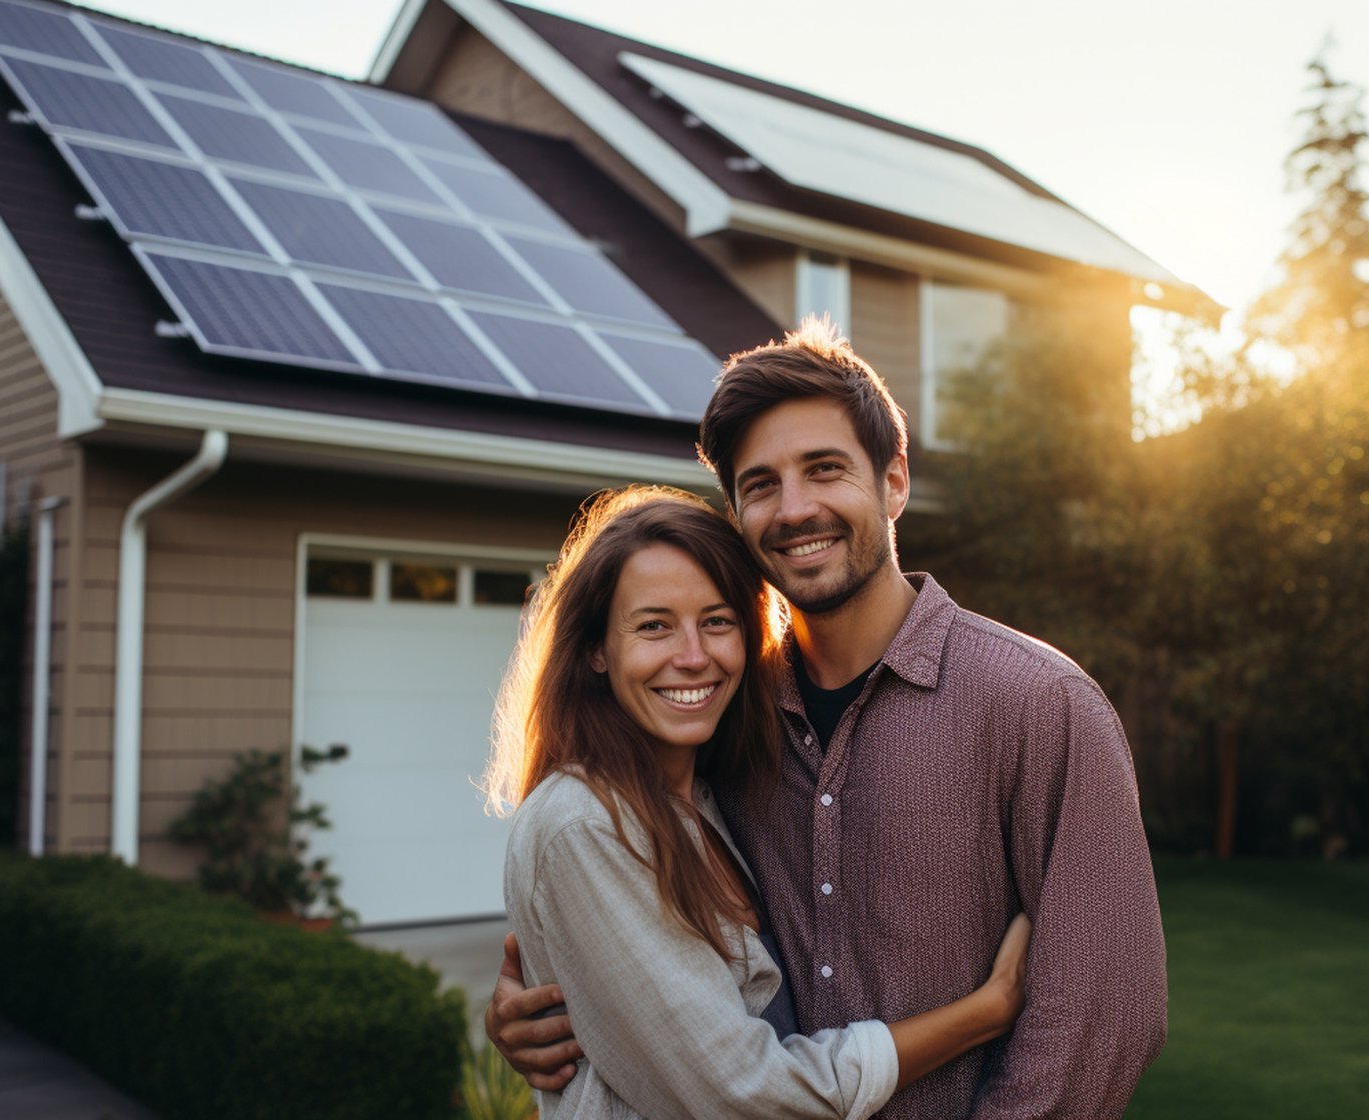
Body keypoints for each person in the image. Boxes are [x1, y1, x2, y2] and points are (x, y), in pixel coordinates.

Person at [491, 322, 1168, 1117]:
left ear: (894, 483)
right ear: (737, 512)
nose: (796, 508)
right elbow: (646, 975)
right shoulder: (721, 720)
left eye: (825, 469)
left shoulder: (1040, 706)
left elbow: (1103, 1023)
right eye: (761, 484)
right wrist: (537, 1002)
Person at [487, 485, 1034, 1119]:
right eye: (654, 626)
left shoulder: (706, 796)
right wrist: (987, 1011)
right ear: (595, 651)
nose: (694, 658)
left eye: (717, 621)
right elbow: (743, 1095)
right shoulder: (583, 825)